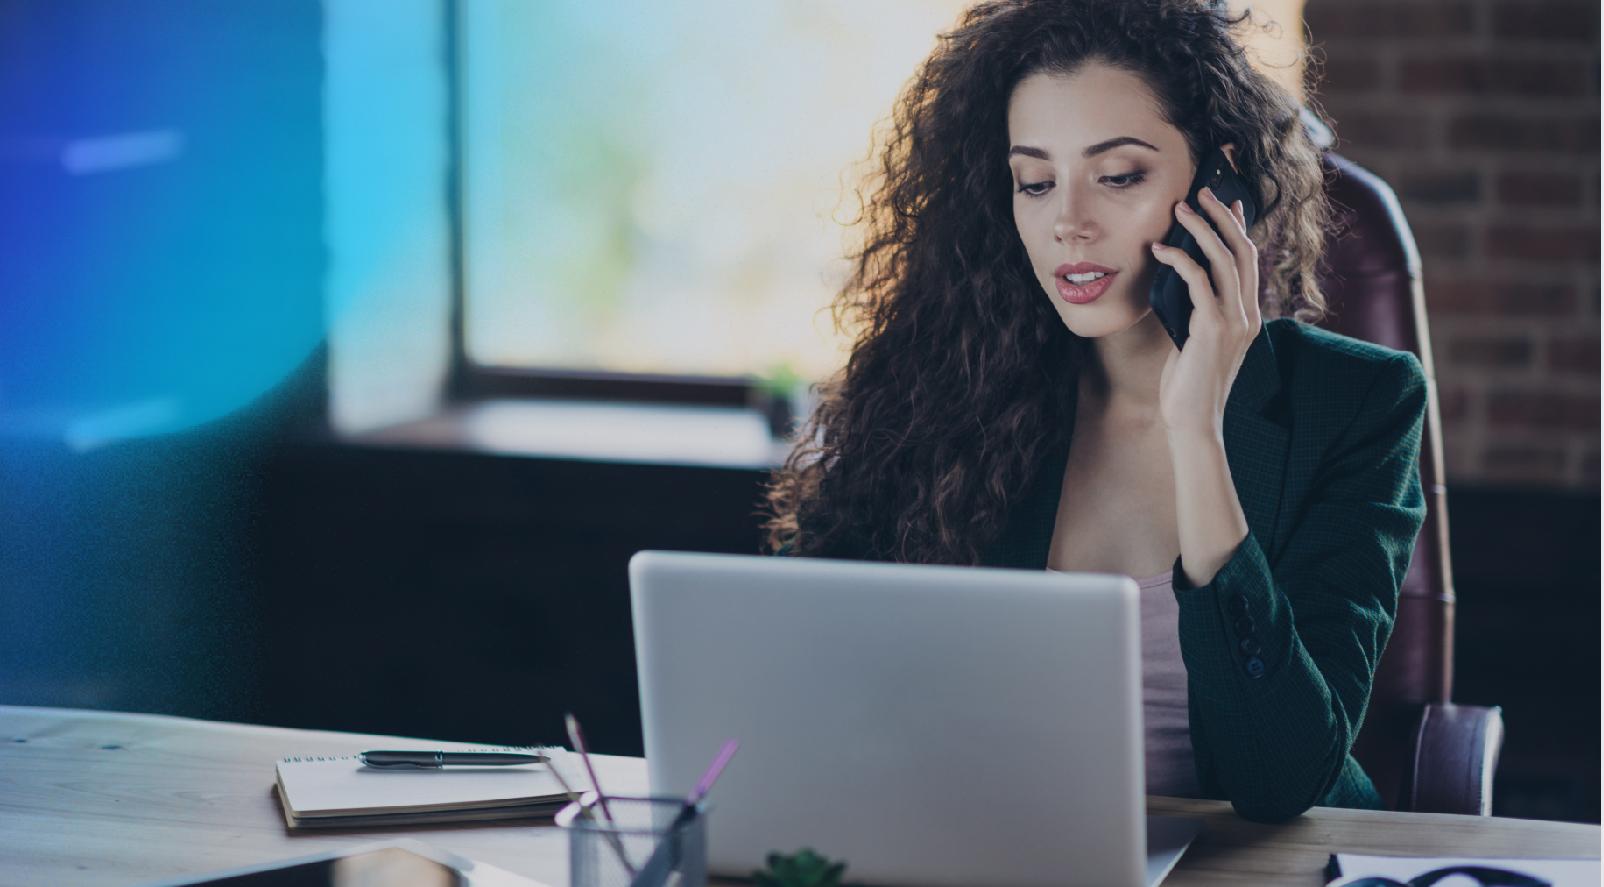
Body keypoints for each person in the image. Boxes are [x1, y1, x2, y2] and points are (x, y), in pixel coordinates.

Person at [760, 0, 1428, 823]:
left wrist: (1196, 432)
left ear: (1220, 186)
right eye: (1035, 182)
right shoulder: (938, 387)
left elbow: (1281, 778)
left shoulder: (1358, 403)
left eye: (1118, 177)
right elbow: (800, 665)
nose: (1068, 223)